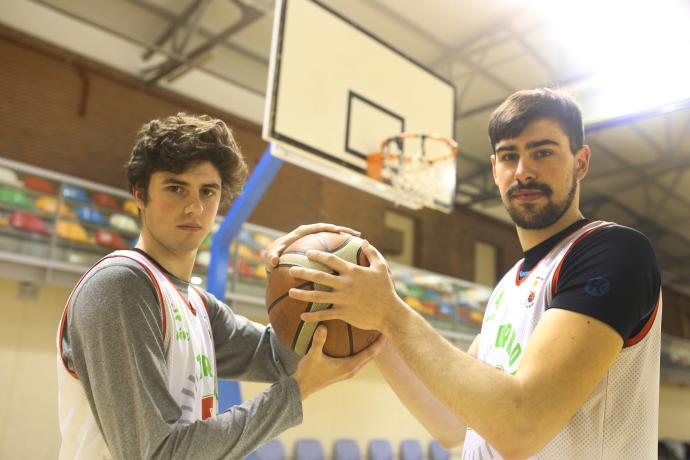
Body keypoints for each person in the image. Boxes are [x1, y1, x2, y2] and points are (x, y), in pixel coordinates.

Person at [280, 88, 662, 459]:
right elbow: (453, 424)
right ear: (495, 169)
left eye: (542, 152)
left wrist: (390, 312)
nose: (523, 171)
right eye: (509, 156)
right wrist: (369, 324)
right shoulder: (507, 286)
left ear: (581, 162)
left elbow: (522, 426)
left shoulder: (612, 251)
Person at [56, 113, 383, 459]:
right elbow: (157, 454)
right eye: (176, 188)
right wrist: (296, 392)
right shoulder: (121, 286)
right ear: (140, 194)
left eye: (207, 191)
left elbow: (276, 355)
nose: (195, 206)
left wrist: (302, 271)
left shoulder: (197, 304)